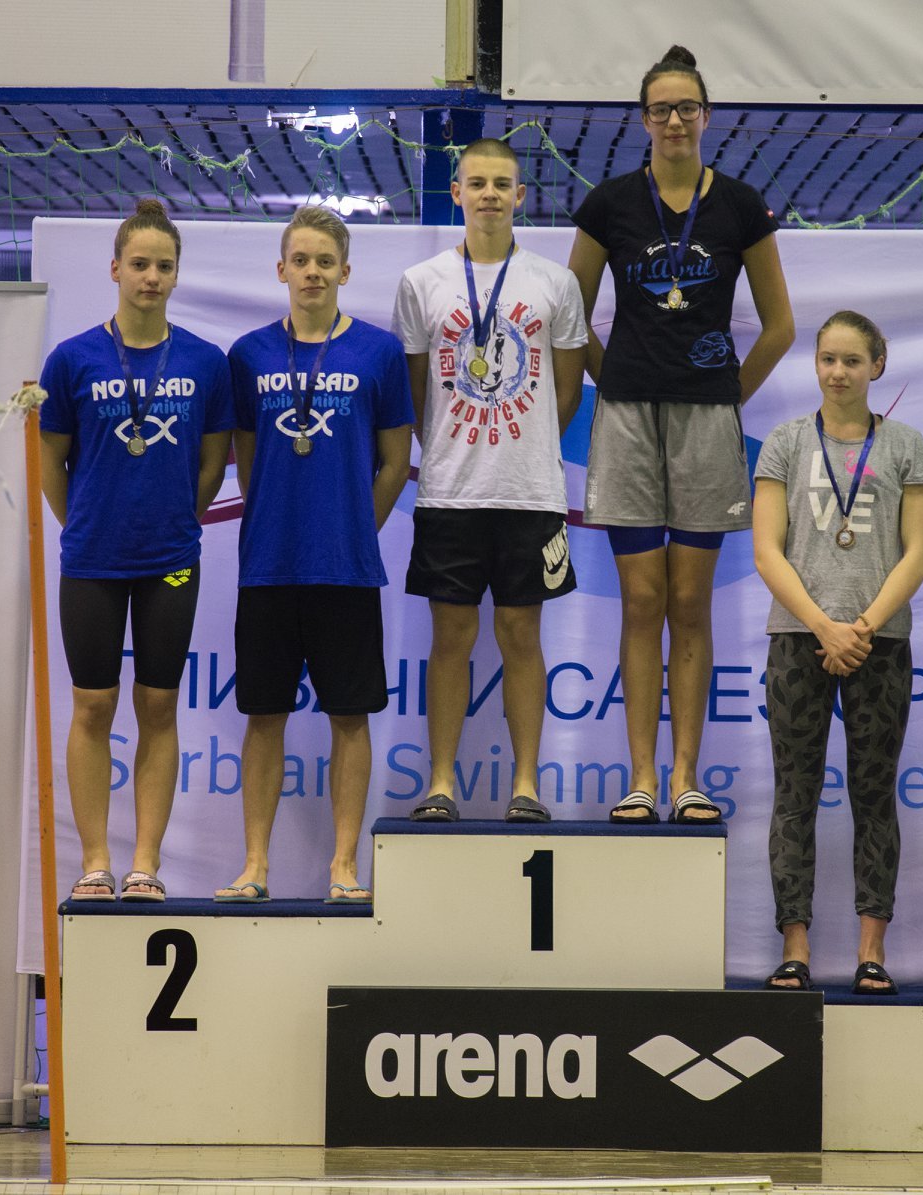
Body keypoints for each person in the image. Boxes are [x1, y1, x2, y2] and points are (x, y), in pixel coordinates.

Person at [567, 44, 795, 824]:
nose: (674, 120)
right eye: (661, 109)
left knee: (690, 600)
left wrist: (727, 395)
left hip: (706, 422)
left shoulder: (739, 205)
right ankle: (640, 776)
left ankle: (686, 776)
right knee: (641, 600)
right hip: (628, 421)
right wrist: (613, 379)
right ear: (644, 119)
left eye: (686, 108)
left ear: (706, 116)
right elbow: (570, 317)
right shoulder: (608, 204)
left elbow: (780, 326)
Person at [37, 197, 234, 902]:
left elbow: (213, 463)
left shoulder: (205, 362)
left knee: (158, 705)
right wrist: (85, 523)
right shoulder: (72, 360)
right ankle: (94, 861)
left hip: (171, 561)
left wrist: (177, 519)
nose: (152, 277)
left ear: (177, 275)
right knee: (92, 706)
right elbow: (50, 461)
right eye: (141, 264)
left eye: (164, 266)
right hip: (92, 558)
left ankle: (145, 863)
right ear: (115, 268)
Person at [216, 205, 413, 904]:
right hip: (269, 565)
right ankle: (255, 865)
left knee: (350, 717)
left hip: (346, 569)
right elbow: (245, 457)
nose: (312, 272)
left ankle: (343, 866)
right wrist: (283, 513)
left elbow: (396, 462)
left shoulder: (379, 353)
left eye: (325, 262)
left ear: (345, 272)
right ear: (281, 269)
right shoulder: (248, 355)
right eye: (301, 260)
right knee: (263, 716)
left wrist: (354, 525)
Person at [391, 137, 588, 823]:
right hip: (450, 491)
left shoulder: (555, 283)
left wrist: (524, 447)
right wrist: (454, 447)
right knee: (450, 639)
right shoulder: (421, 282)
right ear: (457, 193)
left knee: (521, 636)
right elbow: (417, 394)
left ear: (521, 196)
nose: (490, 195)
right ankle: (441, 782)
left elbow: (567, 392)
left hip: (530, 493)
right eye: (477, 183)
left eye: (502, 184)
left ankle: (526, 784)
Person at [753, 312, 923, 994]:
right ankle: (795, 946)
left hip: (878, 642)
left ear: (877, 365)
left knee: (874, 794)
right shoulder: (784, 441)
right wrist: (822, 627)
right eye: (828, 359)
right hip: (798, 640)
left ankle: (871, 951)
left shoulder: (907, 445)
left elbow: (919, 552)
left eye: (852, 360)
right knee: (794, 795)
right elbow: (766, 550)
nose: (838, 372)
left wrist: (859, 626)